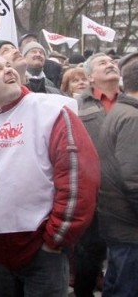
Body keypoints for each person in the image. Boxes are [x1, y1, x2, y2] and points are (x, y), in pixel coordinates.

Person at [0, 55, 100, 296]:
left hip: (43, 250)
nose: (8, 70)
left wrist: (56, 238)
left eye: (9, 65)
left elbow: (78, 175)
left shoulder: (51, 109)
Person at [75, 52, 121, 296]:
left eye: (112, 62)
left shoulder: (131, 101)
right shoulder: (76, 106)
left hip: (128, 195)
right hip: (94, 194)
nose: (111, 64)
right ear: (90, 77)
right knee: (89, 254)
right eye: (103, 63)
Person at [97, 60, 138, 296]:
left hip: (119, 224)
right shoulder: (132, 117)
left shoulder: (122, 111)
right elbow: (133, 179)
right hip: (129, 229)